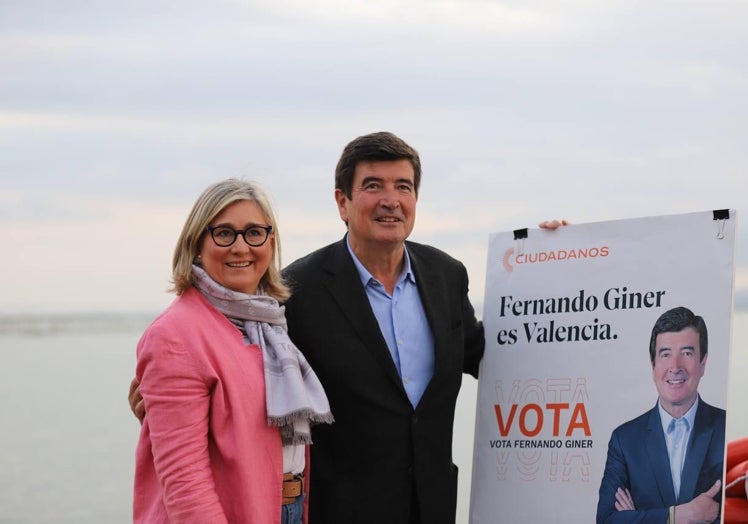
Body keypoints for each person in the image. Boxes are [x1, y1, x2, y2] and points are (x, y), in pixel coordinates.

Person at [130, 132, 565, 523]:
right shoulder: (297, 292)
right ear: (342, 202)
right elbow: (231, 373)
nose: (390, 199)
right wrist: (159, 399)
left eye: (403, 186)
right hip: (336, 511)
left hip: (431, 506)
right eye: (373, 186)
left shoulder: (447, 275)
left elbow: (494, 354)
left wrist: (557, 259)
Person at [132, 178, 332, 524]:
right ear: (197, 243)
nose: (241, 247)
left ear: (271, 242)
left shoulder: (271, 326)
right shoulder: (175, 335)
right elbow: (184, 482)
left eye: (254, 232)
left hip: (287, 508)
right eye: (224, 233)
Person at [596, 306, 726, 524]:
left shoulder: (731, 430)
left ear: (703, 363)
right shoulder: (625, 440)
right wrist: (675, 517)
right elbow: (607, 520)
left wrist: (638, 518)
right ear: (653, 365)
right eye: (665, 354)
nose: (675, 367)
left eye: (687, 353)